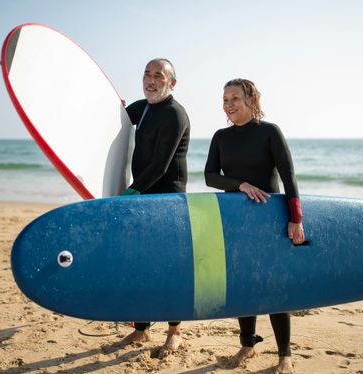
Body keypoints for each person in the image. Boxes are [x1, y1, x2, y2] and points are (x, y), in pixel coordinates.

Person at [204, 78, 304, 373]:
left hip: (269, 217)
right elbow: (210, 176)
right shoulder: (221, 136)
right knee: (242, 284)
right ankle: (247, 344)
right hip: (235, 220)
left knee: (273, 284)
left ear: (251, 100)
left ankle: (284, 354)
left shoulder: (269, 132)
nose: (229, 104)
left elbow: (289, 177)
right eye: (225, 99)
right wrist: (241, 185)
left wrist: (296, 218)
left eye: (235, 98)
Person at [117, 58, 190, 358]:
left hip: (167, 199)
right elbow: (115, 119)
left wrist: (130, 192)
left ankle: (174, 333)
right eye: (146, 74)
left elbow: (160, 166)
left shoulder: (175, 114)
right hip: (143, 196)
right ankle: (142, 328)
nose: (150, 80)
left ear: (171, 83)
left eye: (158, 76)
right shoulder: (143, 107)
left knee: (169, 269)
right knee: (141, 264)